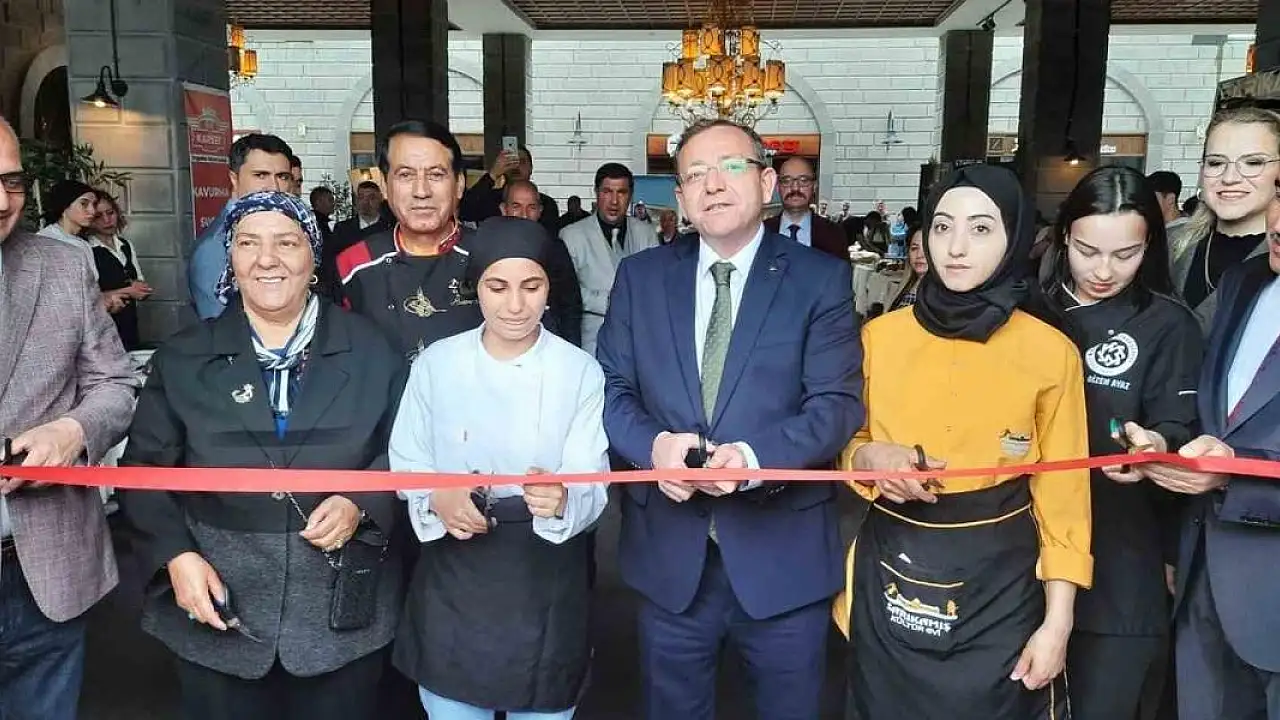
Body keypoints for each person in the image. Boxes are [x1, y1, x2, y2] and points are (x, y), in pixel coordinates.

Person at [595, 119, 864, 720]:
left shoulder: (819, 278)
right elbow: (610, 389)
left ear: (767, 182)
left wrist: (753, 459)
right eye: (695, 175)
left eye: (731, 167)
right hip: (669, 562)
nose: (713, 185)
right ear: (681, 197)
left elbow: (837, 404)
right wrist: (654, 446)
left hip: (783, 557)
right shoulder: (642, 278)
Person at [119, 191, 407, 720]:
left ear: (313, 256)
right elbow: (142, 471)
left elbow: (407, 451)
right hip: (218, 611)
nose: (267, 259)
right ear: (229, 257)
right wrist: (174, 556)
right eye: (248, 243)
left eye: (287, 243)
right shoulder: (184, 357)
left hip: (341, 616)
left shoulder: (373, 350)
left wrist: (361, 502)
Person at [835, 164, 1091, 719]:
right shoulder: (879, 338)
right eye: (942, 226)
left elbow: (1065, 495)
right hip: (892, 571)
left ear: (1014, 238)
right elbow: (850, 443)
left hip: (1001, 586)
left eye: (980, 229)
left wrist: (1058, 623)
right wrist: (869, 457)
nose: (955, 247)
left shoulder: (1051, 353)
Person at [390, 216, 609, 720]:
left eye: (531, 287)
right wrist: (436, 495)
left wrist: (563, 498)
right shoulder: (437, 364)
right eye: (497, 287)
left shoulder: (578, 370)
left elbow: (591, 476)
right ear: (477, 288)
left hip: (544, 577)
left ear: (550, 288)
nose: (515, 305)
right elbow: (408, 459)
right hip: (455, 574)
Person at [1037, 166, 1202, 719]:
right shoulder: (1030, 311)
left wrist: (1155, 446)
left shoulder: (1168, 325)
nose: (1104, 270)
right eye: (1088, 251)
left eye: (1125, 254)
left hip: (1119, 563)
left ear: (1149, 246)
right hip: (1021, 557)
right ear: (1064, 236)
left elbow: (1178, 424)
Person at [0, 115, 138, 720]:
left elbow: (115, 382)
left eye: (11, 181)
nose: (1, 200)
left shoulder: (60, 267)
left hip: (43, 575)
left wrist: (72, 432)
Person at [1135, 209, 1280, 719]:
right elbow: (1213, 416)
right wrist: (1165, 441)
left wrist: (1237, 473)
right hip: (1203, 578)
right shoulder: (1243, 282)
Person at [336, 120, 484, 359]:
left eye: (436, 175)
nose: (421, 191)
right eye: (405, 175)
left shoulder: (491, 257)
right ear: (384, 186)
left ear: (459, 184)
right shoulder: (354, 264)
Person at [1171, 107, 1280, 328]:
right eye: (1216, 163)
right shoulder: (1167, 242)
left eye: (1253, 162)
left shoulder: (1275, 257)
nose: (1229, 178)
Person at [188, 133, 296, 320]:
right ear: (234, 178)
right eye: (260, 175)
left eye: (283, 177)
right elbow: (221, 326)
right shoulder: (216, 246)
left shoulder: (290, 230)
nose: (273, 187)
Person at [560, 162, 659, 356]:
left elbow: (657, 284)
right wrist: (613, 301)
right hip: (592, 343)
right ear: (596, 193)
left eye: (621, 192)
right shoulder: (571, 235)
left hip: (640, 341)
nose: (614, 201)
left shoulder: (646, 233)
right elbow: (568, 293)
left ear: (630, 195)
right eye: (607, 192)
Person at [500, 179, 584, 347]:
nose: (524, 215)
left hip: (548, 340)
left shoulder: (554, 248)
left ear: (540, 211)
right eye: (516, 206)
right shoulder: (490, 249)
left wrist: (571, 348)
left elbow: (570, 305)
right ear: (504, 209)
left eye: (531, 207)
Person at [89, 189, 153, 351]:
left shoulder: (125, 245)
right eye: (98, 216)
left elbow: (138, 279)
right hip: (103, 332)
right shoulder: (88, 250)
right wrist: (129, 291)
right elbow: (89, 297)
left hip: (129, 327)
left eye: (110, 213)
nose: (106, 220)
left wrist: (141, 289)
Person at [460, 145, 560, 235]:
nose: (516, 166)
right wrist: (493, 175)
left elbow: (549, 240)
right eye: (510, 162)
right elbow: (464, 210)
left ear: (531, 168)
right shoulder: (489, 200)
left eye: (522, 162)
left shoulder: (546, 203)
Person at [764, 156, 850, 260]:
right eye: (787, 181)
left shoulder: (834, 234)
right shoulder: (761, 232)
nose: (795, 188)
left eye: (803, 180)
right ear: (778, 187)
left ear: (814, 186)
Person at [37, 178, 99, 280]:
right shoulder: (44, 241)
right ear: (65, 206)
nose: (92, 211)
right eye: (84, 204)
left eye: (94, 204)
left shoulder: (83, 244)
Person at [886, 224, 926, 311]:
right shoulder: (904, 286)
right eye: (914, 248)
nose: (919, 255)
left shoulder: (945, 297)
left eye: (927, 249)